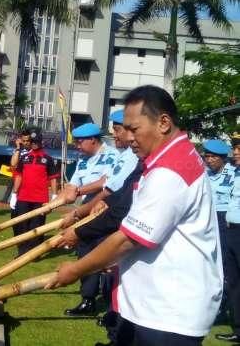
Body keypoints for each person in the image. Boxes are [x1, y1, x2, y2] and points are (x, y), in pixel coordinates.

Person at [47, 85, 223, 345]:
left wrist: (74, 270)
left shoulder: (170, 171)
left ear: (163, 123)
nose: (128, 137)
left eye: (134, 128)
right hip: (157, 305)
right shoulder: (175, 156)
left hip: (167, 313)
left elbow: (128, 239)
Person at [58, 122, 118, 316]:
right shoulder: (83, 160)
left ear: (93, 140)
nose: (77, 145)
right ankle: (88, 300)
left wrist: (78, 191)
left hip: (105, 212)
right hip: (85, 214)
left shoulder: (112, 156)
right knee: (85, 254)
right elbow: (72, 185)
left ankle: (112, 308)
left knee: (108, 258)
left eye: (80, 141)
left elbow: (105, 183)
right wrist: (61, 198)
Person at [9, 128, 58, 256]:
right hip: (23, 198)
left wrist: (54, 195)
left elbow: (53, 178)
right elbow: (18, 175)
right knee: (22, 225)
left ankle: (34, 253)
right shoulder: (24, 158)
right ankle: (22, 251)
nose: (34, 143)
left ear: (41, 142)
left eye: (36, 141)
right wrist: (14, 194)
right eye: (32, 141)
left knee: (37, 226)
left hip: (40, 199)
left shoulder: (48, 159)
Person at [216, 135, 240, 343]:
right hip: (231, 231)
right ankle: (238, 329)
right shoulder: (237, 173)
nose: (235, 152)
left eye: (239, 148)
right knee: (233, 281)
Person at [0, 131, 31, 203]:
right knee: (10, 186)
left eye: (27, 141)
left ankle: (15, 200)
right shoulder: (18, 150)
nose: (25, 143)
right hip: (16, 172)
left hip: (25, 174)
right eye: (23, 141)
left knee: (19, 189)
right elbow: (13, 163)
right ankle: (6, 199)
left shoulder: (32, 151)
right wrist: (18, 147)